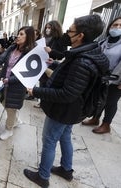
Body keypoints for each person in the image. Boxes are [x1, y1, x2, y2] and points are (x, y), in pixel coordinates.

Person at [23, 14, 109, 187]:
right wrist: (55, 64)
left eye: (70, 30)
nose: (67, 33)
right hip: (74, 110)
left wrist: (36, 91)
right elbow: (71, 75)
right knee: (65, 137)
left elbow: (67, 93)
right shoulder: (88, 52)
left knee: (49, 140)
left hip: (64, 110)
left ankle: (43, 176)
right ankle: (66, 169)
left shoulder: (82, 60)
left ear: (80, 35)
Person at [0, 26, 36, 140]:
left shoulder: (30, 54)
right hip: (3, 81)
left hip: (17, 86)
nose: (18, 36)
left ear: (29, 37)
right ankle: (16, 120)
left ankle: (9, 130)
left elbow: (25, 73)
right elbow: (2, 59)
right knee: (3, 102)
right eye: (18, 33)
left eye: (22, 34)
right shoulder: (13, 47)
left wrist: (9, 80)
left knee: (11, 107)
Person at [82, 16, 121, 134]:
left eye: (120, 26)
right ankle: (95, 119)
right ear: (110, 27)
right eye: (115, 25)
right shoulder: (103, 41)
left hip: (115, 80)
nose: (117, 27)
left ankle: (106, 124)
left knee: (110, 102)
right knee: (99, 99)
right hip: (100, 78)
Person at [34, 20, 67, 108]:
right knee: (42, 83)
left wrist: (51, 51)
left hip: (54, 66)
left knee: (50, 85)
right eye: (46, 28)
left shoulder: (61, 39)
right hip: (45, 64)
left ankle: (47, 103)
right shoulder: (47, 38)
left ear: (55, 28)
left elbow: (63, 54)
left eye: (49, 28)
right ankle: (42, 102)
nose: (47, 30)